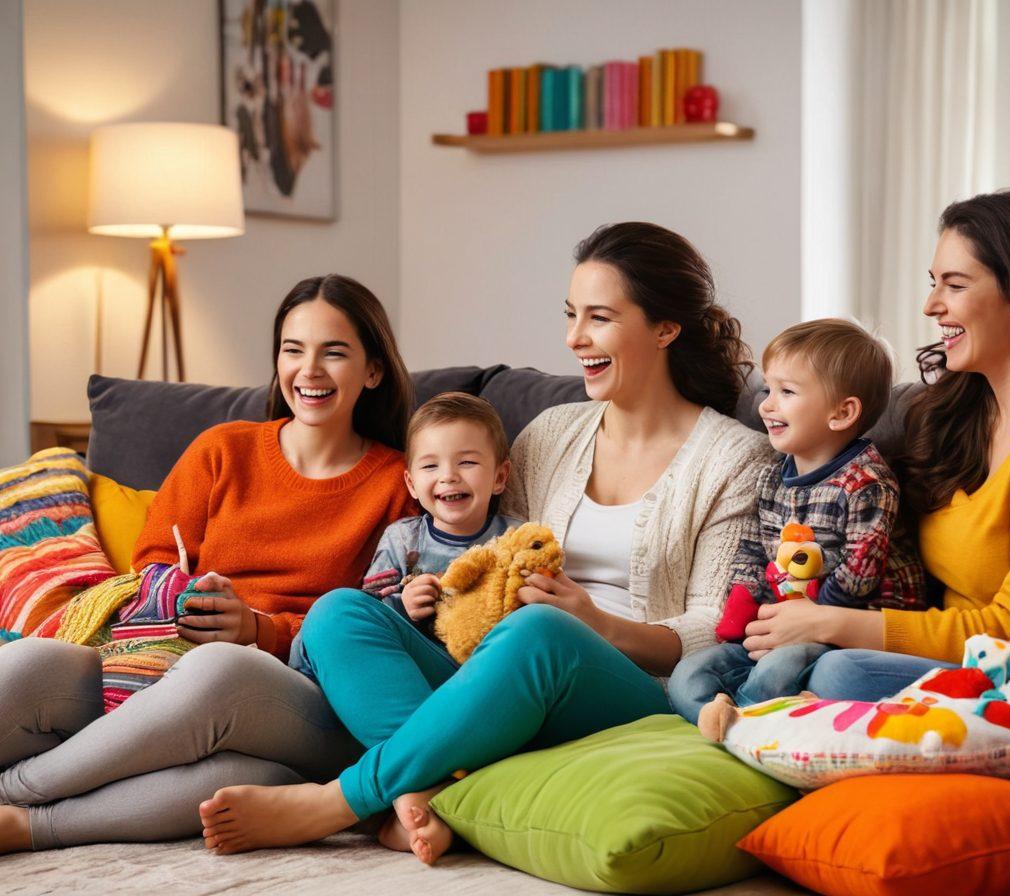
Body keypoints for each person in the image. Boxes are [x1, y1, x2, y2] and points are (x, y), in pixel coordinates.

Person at [195, 221, 774, 863]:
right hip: (496, 677)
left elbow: (716, 632)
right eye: (570, 314)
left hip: (633, 688)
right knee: (339, 612)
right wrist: (431, 600)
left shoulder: (734, 459)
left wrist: (597, 624)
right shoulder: (551, 434)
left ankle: (337, 801)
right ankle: (433, 789)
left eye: (599, 318)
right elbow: (489, 563)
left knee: (540, 633)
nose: (574, 338)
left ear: (665, 328)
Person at [0, 274, 416, 853]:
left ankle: (19, 804)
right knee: (29, 665)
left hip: (307, 697)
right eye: (293, 350)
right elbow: (148, 565)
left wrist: (257, 629)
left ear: (373, 371)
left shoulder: (402, 484)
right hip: (165, 668)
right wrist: (184, 593)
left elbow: (387, 627)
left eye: (334, 352)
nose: (310, 371)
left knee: (218, 672)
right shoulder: (223, 450)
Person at [739, 190, 1010, 702]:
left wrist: (833, 623)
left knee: (840, 675)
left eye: (954, 285)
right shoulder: (965, 408)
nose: (931, 306)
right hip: (927, 647)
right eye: (933, 284)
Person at [668, 319, 926, 724]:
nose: (766, 405)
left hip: (846, 627)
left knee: (774, 672)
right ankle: (722, 720)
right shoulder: (772, 475)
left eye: (786, 392)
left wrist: (811, 619)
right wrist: (742, 610)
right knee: (689, 675)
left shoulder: (867, 482)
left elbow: (861, 571)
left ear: (841, 413)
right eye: (768, 389)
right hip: (784, 622)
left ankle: (749, 724)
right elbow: (752, 549)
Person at [289, 391, 521, 680]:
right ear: (411, 484)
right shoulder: (403, 538)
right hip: (415, 664)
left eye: (467, 463)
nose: (448, 476)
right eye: (430, 465)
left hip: (486, 670)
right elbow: (370, 606)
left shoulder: (514, 538)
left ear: (500, 477)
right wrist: (403, 603)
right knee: (337, 615)